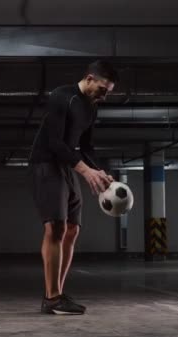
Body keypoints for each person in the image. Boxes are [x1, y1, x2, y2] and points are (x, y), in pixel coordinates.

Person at [28, 60, 118, 315]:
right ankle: (52, 297)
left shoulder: (91, 110)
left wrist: (98, 170)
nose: (104, 96)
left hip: (67, 166)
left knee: (72, 229)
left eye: (108, 92)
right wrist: (85, 171)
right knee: (55, 227)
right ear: (89, 78)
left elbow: (86, 148)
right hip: (45, 163)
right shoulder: (62, 96)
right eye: (103, 89)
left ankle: (55, 294)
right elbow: (55, 143)